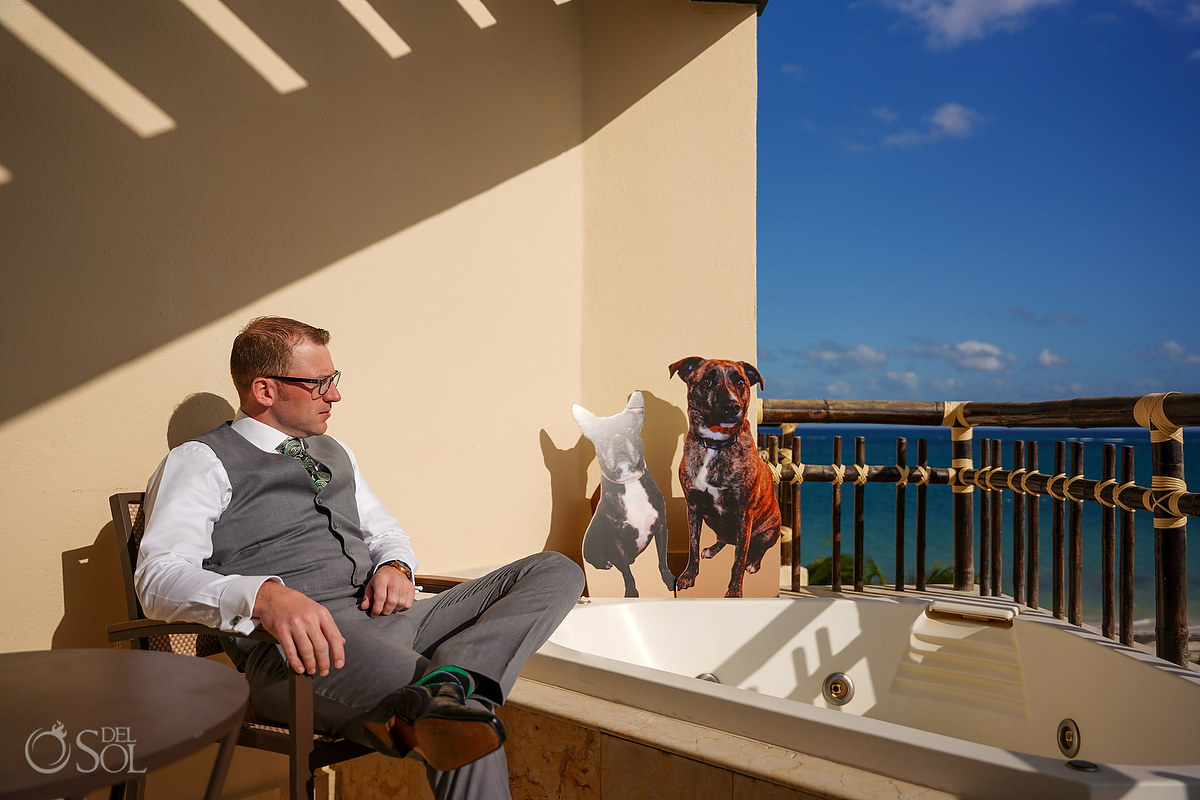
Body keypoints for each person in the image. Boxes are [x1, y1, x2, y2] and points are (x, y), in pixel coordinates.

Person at [136, 316, 585, 799]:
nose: (334, 395)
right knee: (457, 724)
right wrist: (264, 597)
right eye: (318, 383)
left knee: (555, 569)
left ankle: (455, 677)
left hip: (395, 616)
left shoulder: (334, 450)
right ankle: (448, 695)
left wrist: (395, 565)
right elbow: (157, 578)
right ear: (265, 390)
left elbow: (385, 530)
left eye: (334, 380)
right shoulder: (200, 461)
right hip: (309, 651)